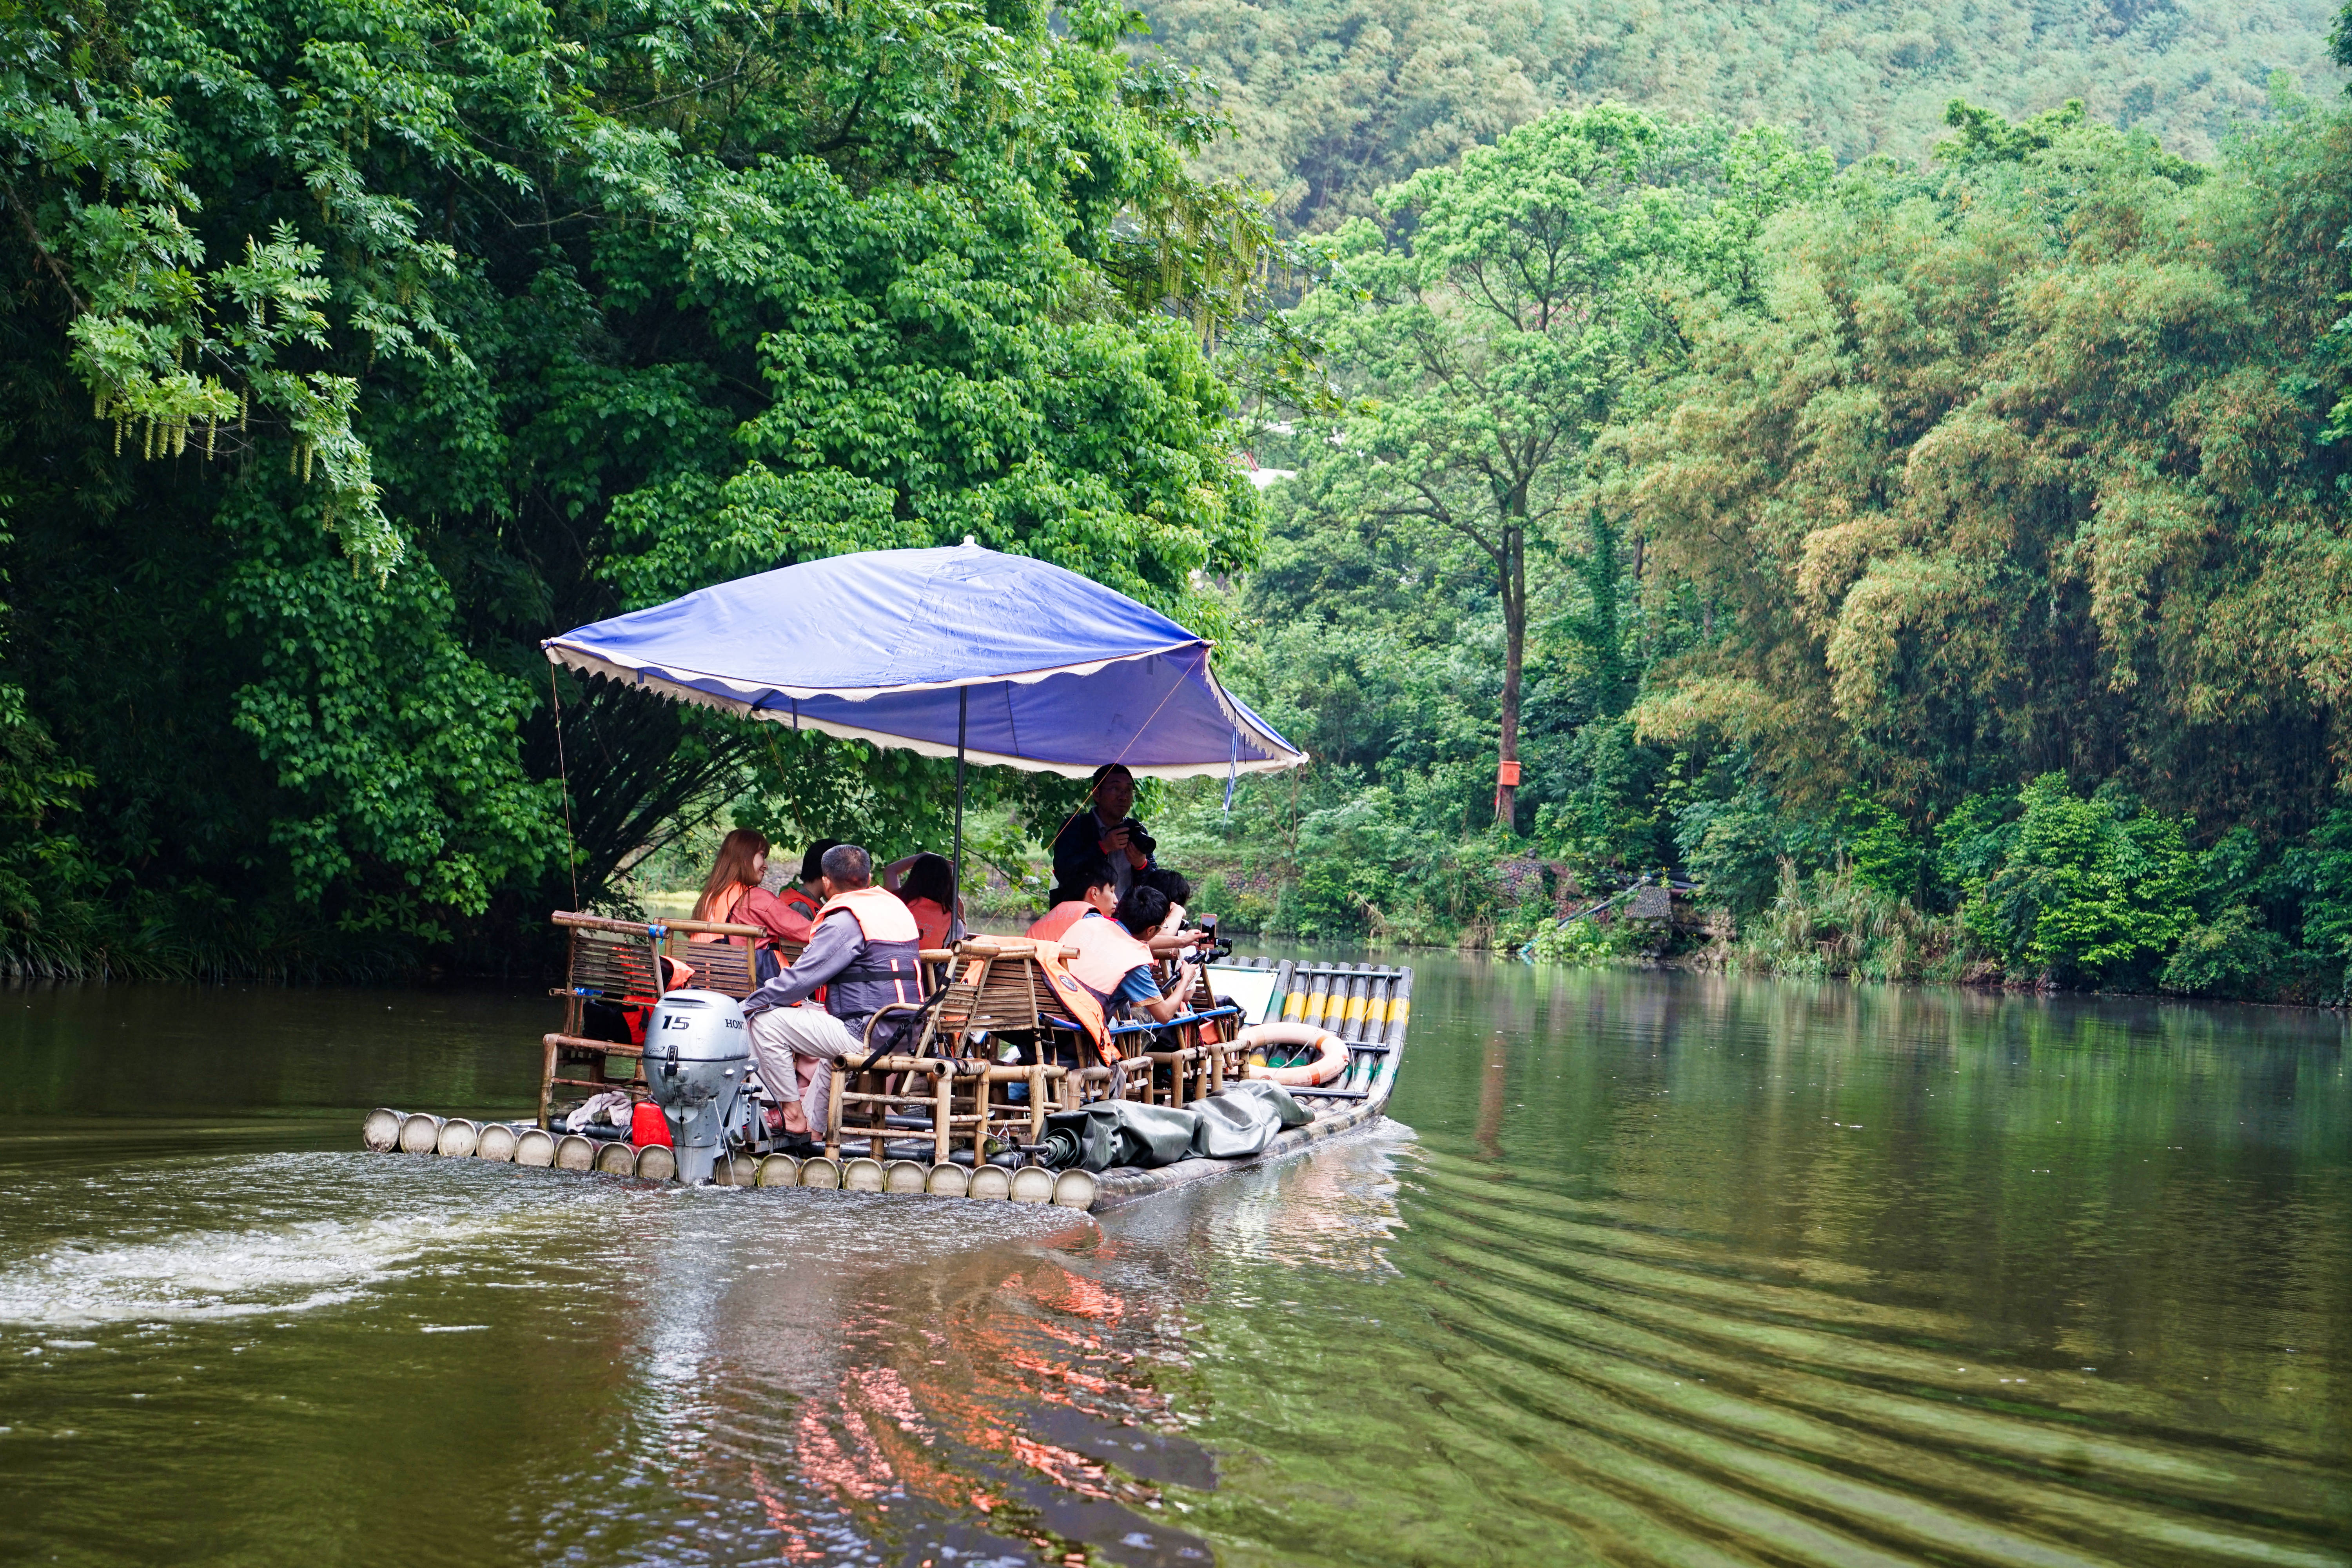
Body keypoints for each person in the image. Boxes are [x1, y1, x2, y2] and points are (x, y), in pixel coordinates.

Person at [740, 844, 924, 1141]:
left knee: (763, 1023)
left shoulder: (845, 920)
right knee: (829, 1054)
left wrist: (747, 1006)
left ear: (826, 882)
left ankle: (791, 1114)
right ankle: (812, 1129)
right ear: (868, 876)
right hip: (909, 1033)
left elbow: (801, 981)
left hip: (869, 1034)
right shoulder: (894, 908)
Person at [1060, 880, 1200, 1025]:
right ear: (1151, 930)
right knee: (1127, 1024)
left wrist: (1181, 941)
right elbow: (1164, 1015)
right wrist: (1186, 978)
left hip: (1049, 1015)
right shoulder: (1134, 962)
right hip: (1083, 1027)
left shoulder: (1089, 920)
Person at [1049, 764, 1155, 907]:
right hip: (1085, 919)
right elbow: (1064, 873)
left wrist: (1142, 865)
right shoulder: (1077, 826)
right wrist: (1102, 848)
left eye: (1128, 790)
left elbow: (1155, 884)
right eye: (1115, 789)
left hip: (1128, 921)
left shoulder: (1136, 829)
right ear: (1097, 794)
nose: (1123, 797)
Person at [689, 829, 806, 945]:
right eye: (762, 855)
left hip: (705, 963)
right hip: (749, 964)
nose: (766, 866)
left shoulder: (710, 898)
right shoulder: (756, 899)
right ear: (745, 856)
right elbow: (810, 932)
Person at [883, 851, 964, 949]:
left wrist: (924, 855)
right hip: (928, 964)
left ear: (914, 876)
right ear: (947, 883)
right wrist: (960, 908)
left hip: (893, 962)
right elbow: (963, 946)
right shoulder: (954, 922)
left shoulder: (897, 901)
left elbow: (890, 870)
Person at [1027, 858, 1118, 944]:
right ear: (1094, 893)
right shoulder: (1092, 920)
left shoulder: (1052, 916)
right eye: (1112, 891)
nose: (1116, 900)